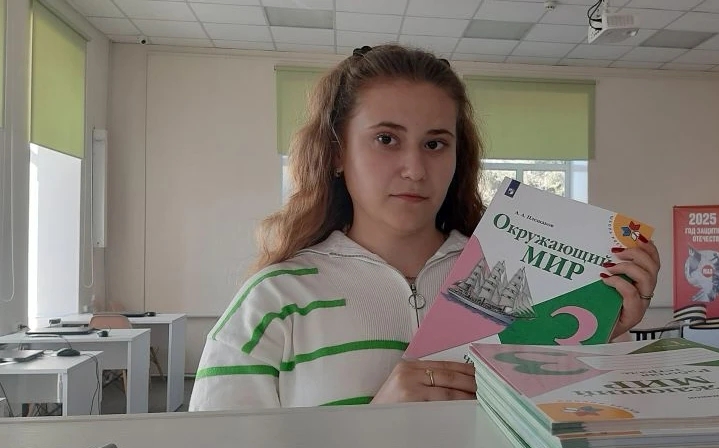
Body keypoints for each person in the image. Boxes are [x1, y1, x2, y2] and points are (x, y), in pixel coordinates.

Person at [189, 45, 661, 411]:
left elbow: (579, 428)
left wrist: (602, 334)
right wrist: (376, 427)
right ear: (336, 153)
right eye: (386, 139)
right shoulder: (273, 302)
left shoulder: (524, 277)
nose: (415, 169)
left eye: (435, 144)